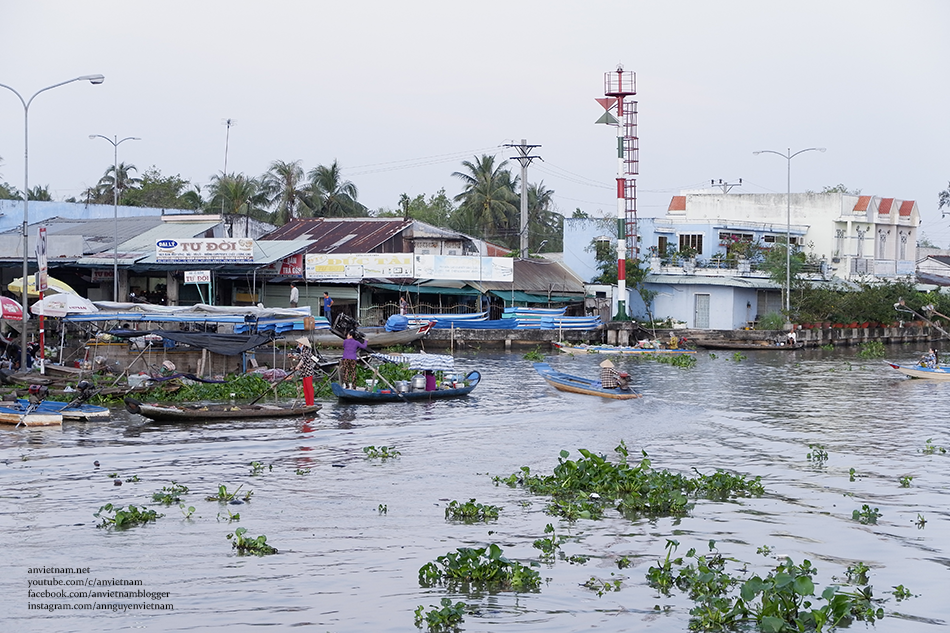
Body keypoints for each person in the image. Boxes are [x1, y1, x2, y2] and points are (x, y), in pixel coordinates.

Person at [292, 336, 317, 405]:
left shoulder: (307, 351)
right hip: (304, 372)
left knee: (309, 388)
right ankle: (307, 403)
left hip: (308, 372)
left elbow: (302, 360)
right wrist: (293, 357)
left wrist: (297, 366)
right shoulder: (303, 351)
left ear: (303, 344)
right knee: (305, 389)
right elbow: (300, 357)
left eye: (299, 343)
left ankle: (311, 404)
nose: (298, 345)